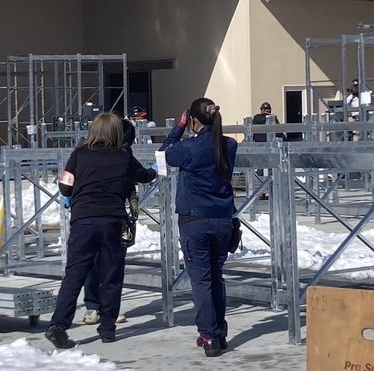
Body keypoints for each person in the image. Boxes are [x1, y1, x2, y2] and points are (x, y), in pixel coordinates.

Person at [45, 113, 157, 349]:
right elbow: (145, 176)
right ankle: (107, 328)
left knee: (74, 275)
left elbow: (65, 187)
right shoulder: (123, 157)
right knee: (111, 275)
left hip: (82, 221)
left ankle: (58, 324)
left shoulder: (79, 154)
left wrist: (75, 193)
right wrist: (156, 169)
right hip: (111, 222)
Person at [159, 98, 238, 357]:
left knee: (201, 280)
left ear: (193, 120)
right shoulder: (229, 145)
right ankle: (219, 332)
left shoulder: (189, 148)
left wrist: (178, 127)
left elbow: (164, 153)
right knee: (216, 276)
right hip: (222, 218)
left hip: (194, 219)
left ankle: (208, 335)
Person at [80, 116, 137, 325]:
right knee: (94, 263)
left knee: (111, 265)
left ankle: (109, 308)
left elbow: (134, 176)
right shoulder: (89, 152)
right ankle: (93, 306)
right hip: (93, 213)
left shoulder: (123, 154)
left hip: (113, 215)